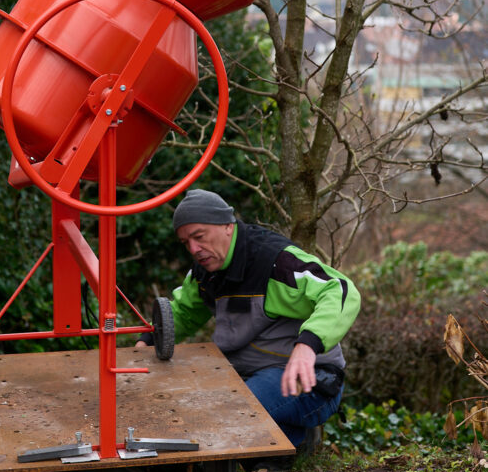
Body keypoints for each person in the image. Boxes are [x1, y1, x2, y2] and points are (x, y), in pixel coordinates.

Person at [136, 188, 361, 452]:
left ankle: (289, 442)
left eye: (199, 237)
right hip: (242, 375)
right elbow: (184, 311)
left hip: (311, 379)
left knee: (233, 410)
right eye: (186, 243)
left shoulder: (275, 262)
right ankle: (285, 436)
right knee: (190, 402)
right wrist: (147, 342)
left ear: (227, 226)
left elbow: (341, 290)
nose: (194, 249)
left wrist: (308, 345)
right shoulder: (205, 271)